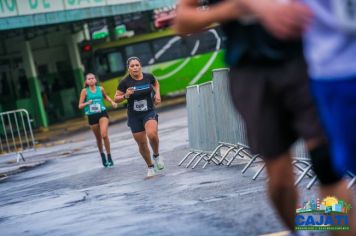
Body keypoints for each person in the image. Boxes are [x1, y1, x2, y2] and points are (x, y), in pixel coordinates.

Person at [174, 0, 353, 235]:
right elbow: (182, 21)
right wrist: (234, 9)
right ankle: (298, 230)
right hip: (251, 71)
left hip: (305, 58)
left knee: (325, 163)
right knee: (280, 180)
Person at [114, 57, 164, 178]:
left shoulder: (148, 77)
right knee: (142, 143)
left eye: (137, 65)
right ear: (128, 68)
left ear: (140, 66)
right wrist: (126, 95)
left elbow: (156, 83)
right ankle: (150, 166)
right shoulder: (124, 82)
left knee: (152, 134)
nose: (135, 67)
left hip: (149, 111)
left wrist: (157, 94)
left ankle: (156, 155)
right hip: (134, 116)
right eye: (132, 66)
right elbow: (116, 98)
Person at [78, 73, 118, 168]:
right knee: (98, 138)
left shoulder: (101, 89)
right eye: (89, 79)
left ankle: (109, 156)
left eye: (92, 78)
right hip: (92, 116)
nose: (91, 80)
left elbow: (105, 97)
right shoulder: (84, 91)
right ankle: (102, 156)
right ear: (86, 81)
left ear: (95, 80)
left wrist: (112, 102)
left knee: (104, 135)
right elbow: (80, 106)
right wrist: (87, 102)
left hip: (102, 113)